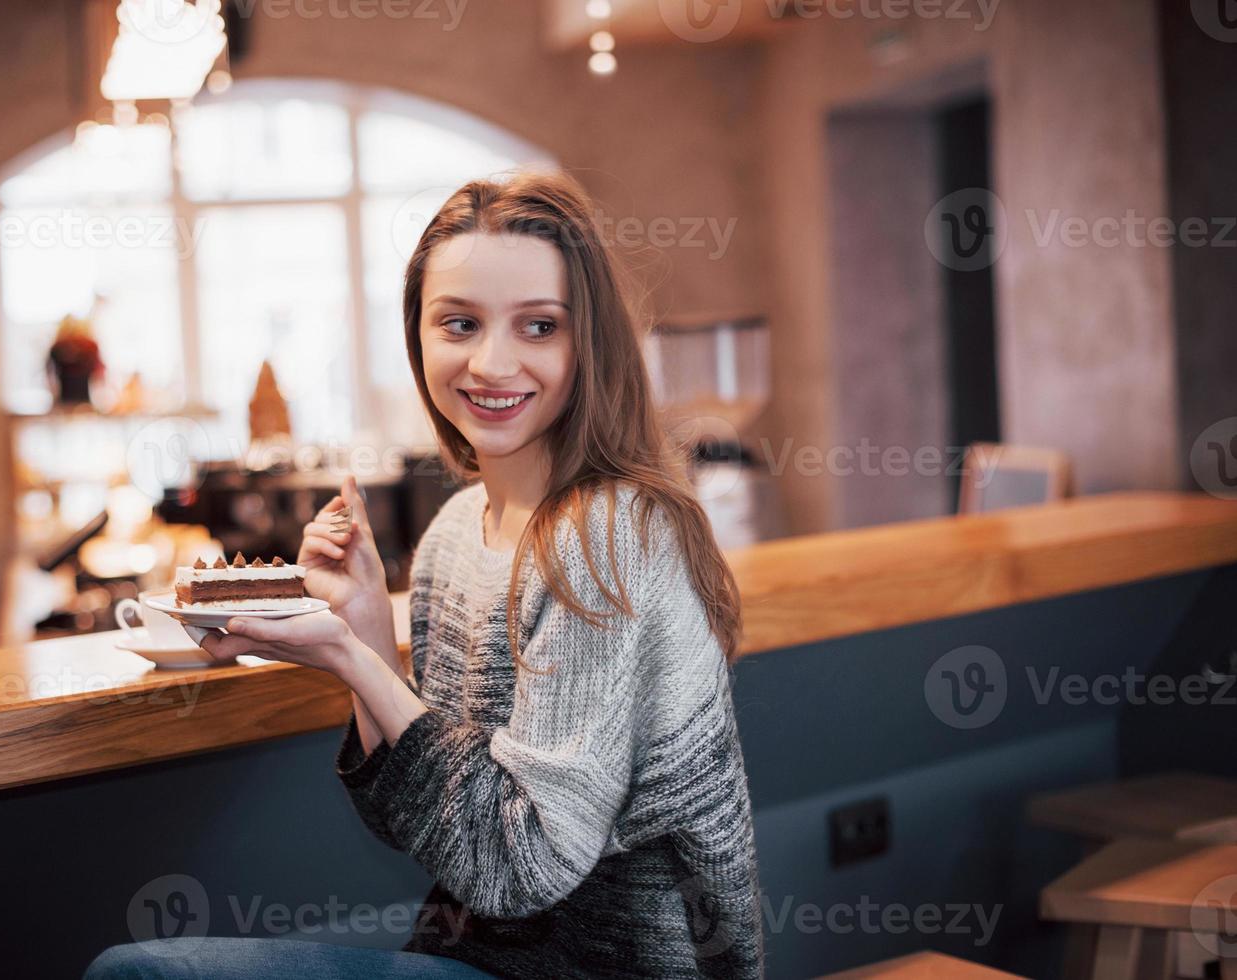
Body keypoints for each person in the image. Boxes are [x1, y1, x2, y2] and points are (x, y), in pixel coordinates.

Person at [86, 173, 765, 978]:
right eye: (459, 323)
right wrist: (369, 628)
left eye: (538, 326)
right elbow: (424, 825)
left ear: (590, 343)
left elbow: (519, 870)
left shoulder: (606, 536)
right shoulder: (454, 532)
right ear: (418, 336)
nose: (491, 362)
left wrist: (347, 655)